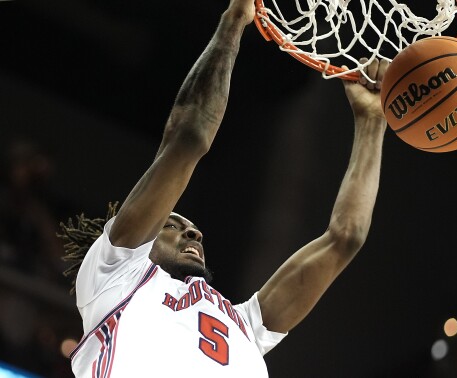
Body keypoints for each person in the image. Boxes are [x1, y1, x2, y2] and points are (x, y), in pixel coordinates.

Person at [59, 0, 390, 376]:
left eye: (187, 226)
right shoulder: (113, 275)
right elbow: (188, 138)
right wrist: (234, 20)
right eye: (172, 224)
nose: (194, 231)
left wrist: (371, 122)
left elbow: (345, 238)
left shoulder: (243, 325)